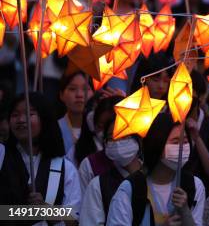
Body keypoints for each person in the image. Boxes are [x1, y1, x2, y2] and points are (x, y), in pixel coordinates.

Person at [107, 113, 205, 226]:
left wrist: (186, 213)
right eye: (175, 142)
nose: (182, 147)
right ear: (156, 144)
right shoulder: (130, 189)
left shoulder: (195, 185)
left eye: (186, 142)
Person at [1, 92, 81, 220]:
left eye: (29, 114)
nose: (21, 120)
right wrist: (30, 213)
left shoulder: (63, 166)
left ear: (45, 119)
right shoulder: (2, 156)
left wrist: (46, 210)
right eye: (15, 115)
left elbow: (74, 218)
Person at [80, 118, 143, 225]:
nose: (117, 142)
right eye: (111, 137)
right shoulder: (98, 185)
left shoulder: (152, 178)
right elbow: (78, 217)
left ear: (139, 140)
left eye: (123, 135)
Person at [77, 95, 124, 191]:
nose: (105, 133)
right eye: (101, 126)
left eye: (111, 127)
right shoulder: (89, 164)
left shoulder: (141, 159)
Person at [57, 72, 92, 159]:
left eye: (85, 89)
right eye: (72, 89)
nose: (79, 95)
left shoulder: (98, 130)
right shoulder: (55, 128)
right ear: (61, 95)